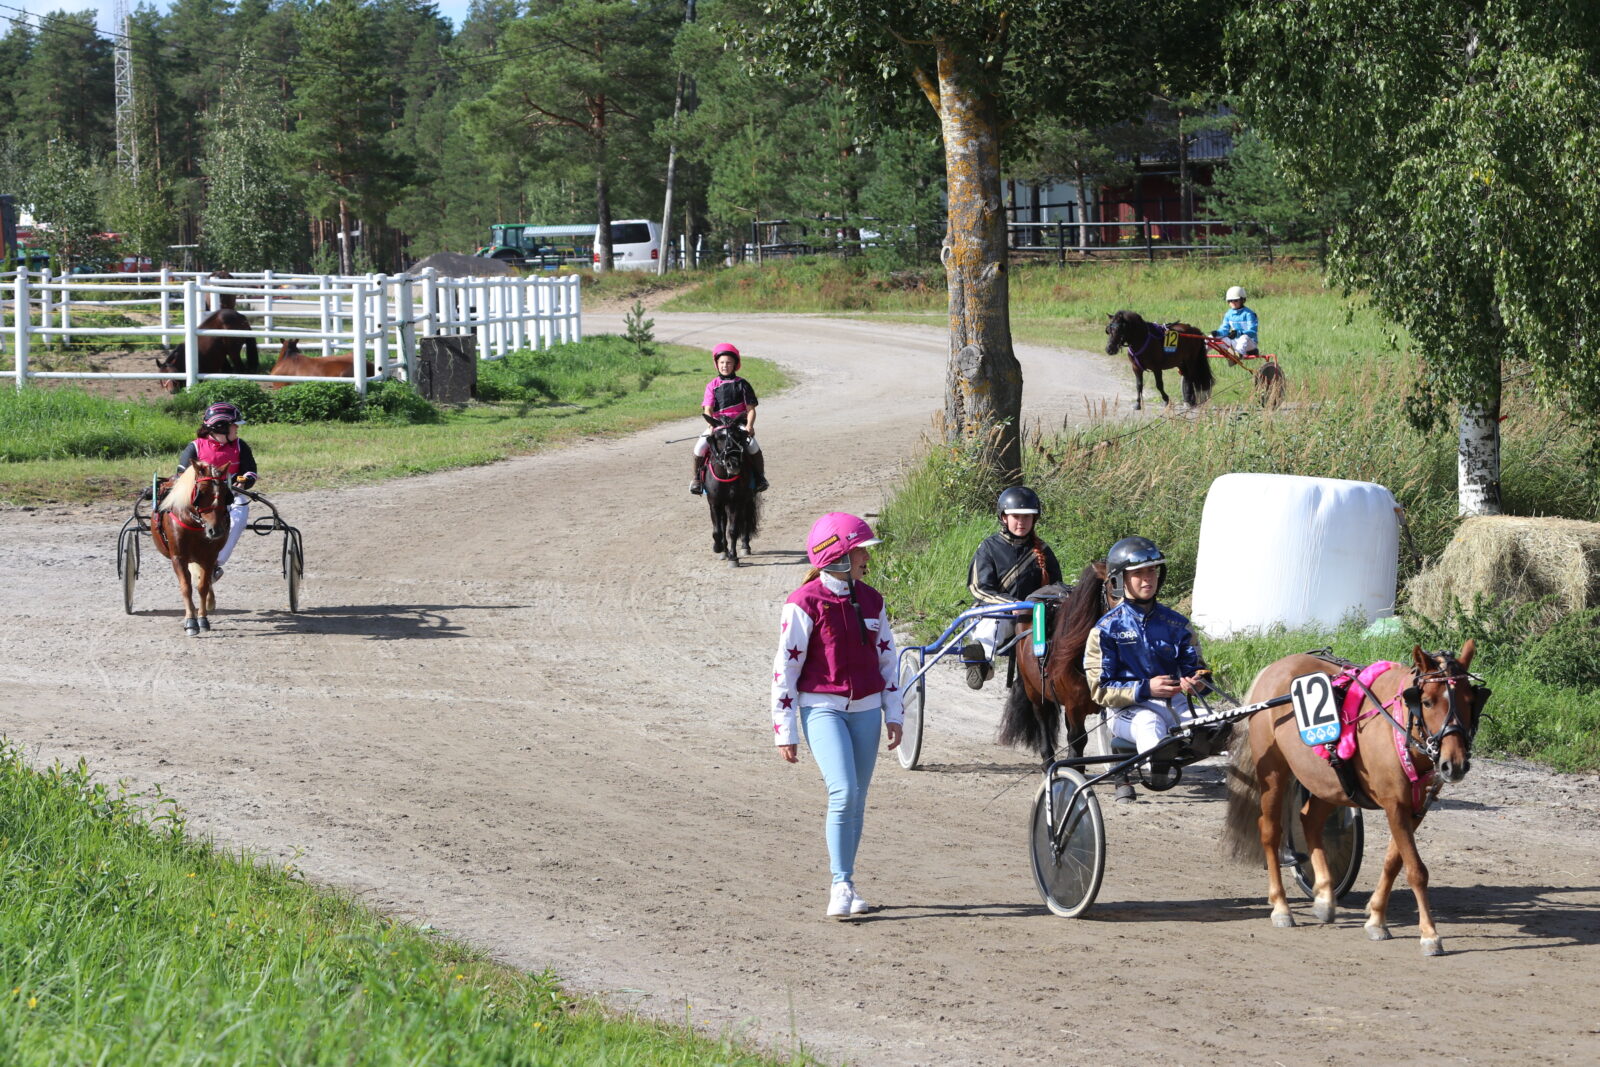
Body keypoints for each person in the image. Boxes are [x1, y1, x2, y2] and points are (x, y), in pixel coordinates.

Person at [771, 512, 903, 919]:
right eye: (861, 550)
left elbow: (888, 660)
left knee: (858, 799)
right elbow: (785, 668)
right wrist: (784, 728)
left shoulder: (873, 599)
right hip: (822, 708)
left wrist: (893, 712)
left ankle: (848, 880)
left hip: (866, 711)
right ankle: (839, 884)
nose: (867, 558)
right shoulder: (803, 602)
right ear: (839, 555)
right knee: (843, 791)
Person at [1082, 536, 1207, 803]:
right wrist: (1146, 688)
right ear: (1119, 580)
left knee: (1213, 724)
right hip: (1127, 711)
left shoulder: (1177, 624)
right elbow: (1099, 690)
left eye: (1151, 570)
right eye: (1137, 573)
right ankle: (1145, 765)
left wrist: (1195, 681)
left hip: (1175, 704)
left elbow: (1197, 669)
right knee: (1151, 725)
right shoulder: (1105, 630)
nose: (1147, 578)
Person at [961, 486, 1063, 690]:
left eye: (1027, 517)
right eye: (1015, 516)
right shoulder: (988, 547)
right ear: (1003, 517)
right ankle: (980, 664)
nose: (1021, 522)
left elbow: (1057, 586)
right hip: (998, 613)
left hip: (1034, 617)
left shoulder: (1043, 550)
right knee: (992, 625)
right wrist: (1012, 604)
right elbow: (979, 589)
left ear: (1034, 519)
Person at [175, 401, 257, 581]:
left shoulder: (240, 446)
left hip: (232, 494)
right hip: (203, 498)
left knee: (240, 513)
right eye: (234, 425)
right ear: (221, 427)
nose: (237, 429)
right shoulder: (195, 447)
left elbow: (250, 470)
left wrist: (245, 481)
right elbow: (181, 473)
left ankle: (215, 562)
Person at [691, 342, 768, 494]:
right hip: (718, 425)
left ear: (735, 365)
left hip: (737, 425)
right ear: (717, 364)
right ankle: (697, 479)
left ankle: (760, 478)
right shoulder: (712, 385)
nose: (725, 366)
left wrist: (749, 426)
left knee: (753, 447)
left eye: (728, 363)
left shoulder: (743, 384)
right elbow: (708, 408)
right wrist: (711, 424)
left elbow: (751, 409)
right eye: (722, 363)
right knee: (699, 447)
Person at [1213, 285, 1259, 357]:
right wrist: (1217, 333)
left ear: (1242, 300)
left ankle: (1237, 356)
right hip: (1236, 343)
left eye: (1236, 300)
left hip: (1250, 344)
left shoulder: (1249, 314)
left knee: (1244, 337)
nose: (1233, 302)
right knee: (1215, 338)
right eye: (1230, 300)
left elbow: (1253, 332)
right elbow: (1224, 329)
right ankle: (1201, 354)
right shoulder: (1228, 314)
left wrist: (1239, 333)